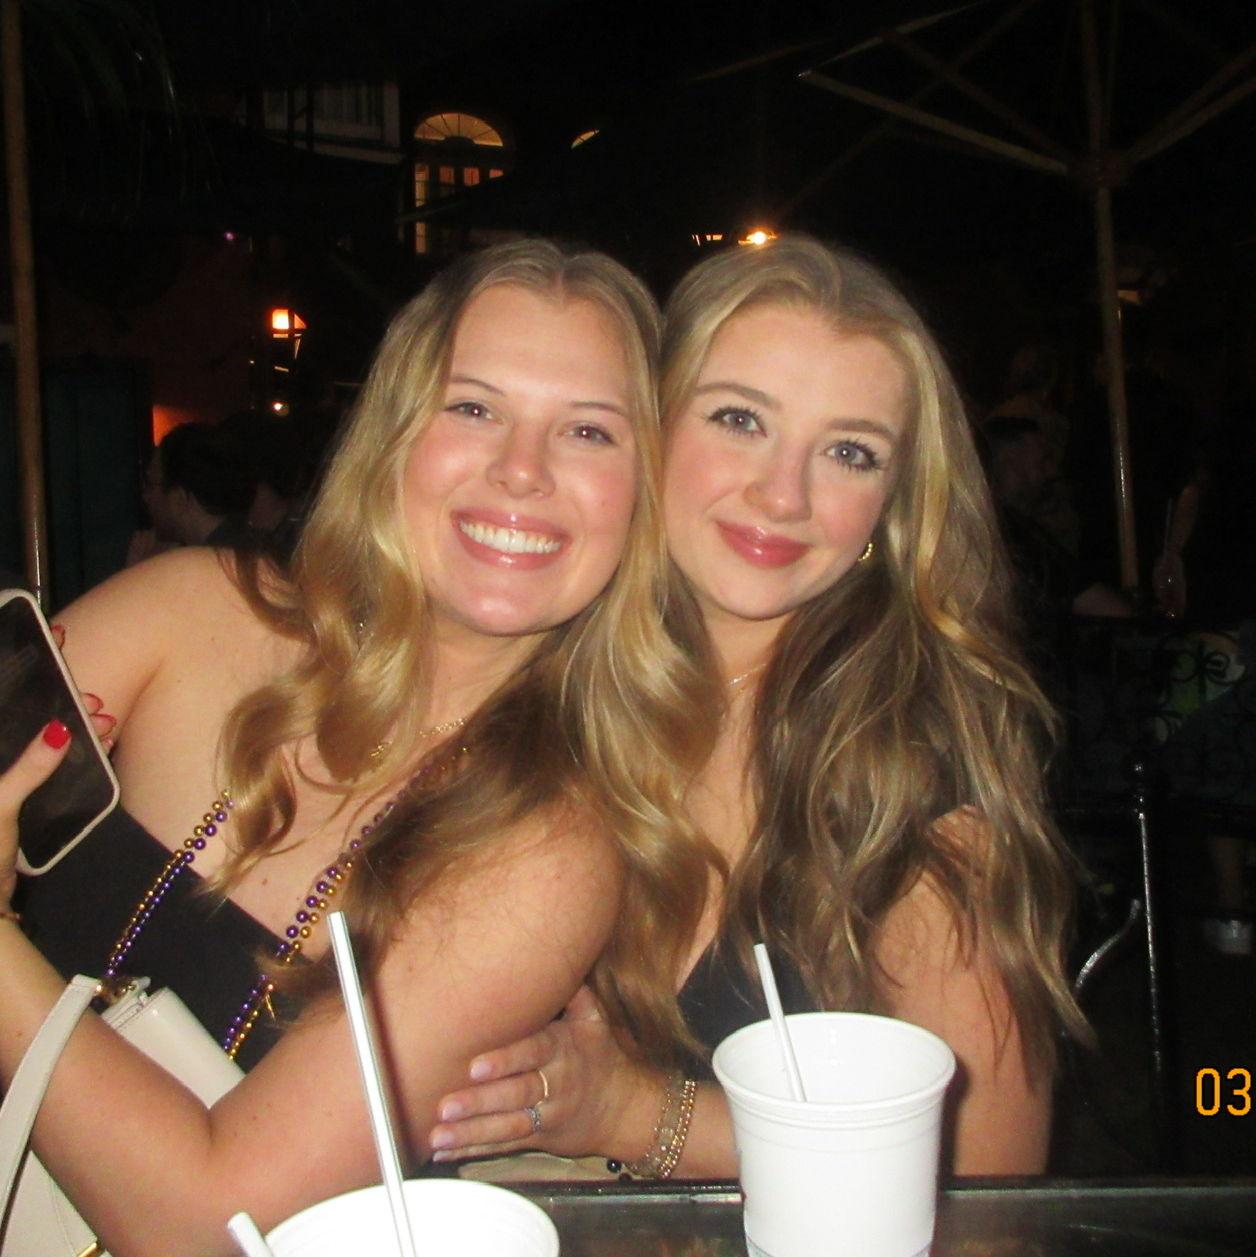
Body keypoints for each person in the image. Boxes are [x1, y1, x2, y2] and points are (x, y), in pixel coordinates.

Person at [1, 239, 714, 1254]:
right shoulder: (185, 609)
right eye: (473, 408)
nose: (522, 470)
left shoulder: (550, 849)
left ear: (642, 492)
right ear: (393, 433)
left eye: (589, 431)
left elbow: (209, 1223)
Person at [428, 236, 1089, 1178]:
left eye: (850, 452)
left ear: (893, 508)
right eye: (739, 419)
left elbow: (984, 1185)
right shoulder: (535, 688)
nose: (783, 494)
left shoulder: (913, 780)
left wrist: (635, 1112)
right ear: (647, 428)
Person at [126, 421, 258, 564]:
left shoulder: (212, 563)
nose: (146, 497)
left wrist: (143, 570)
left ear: (179, 498)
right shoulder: (251, 545)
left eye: (151, 485)